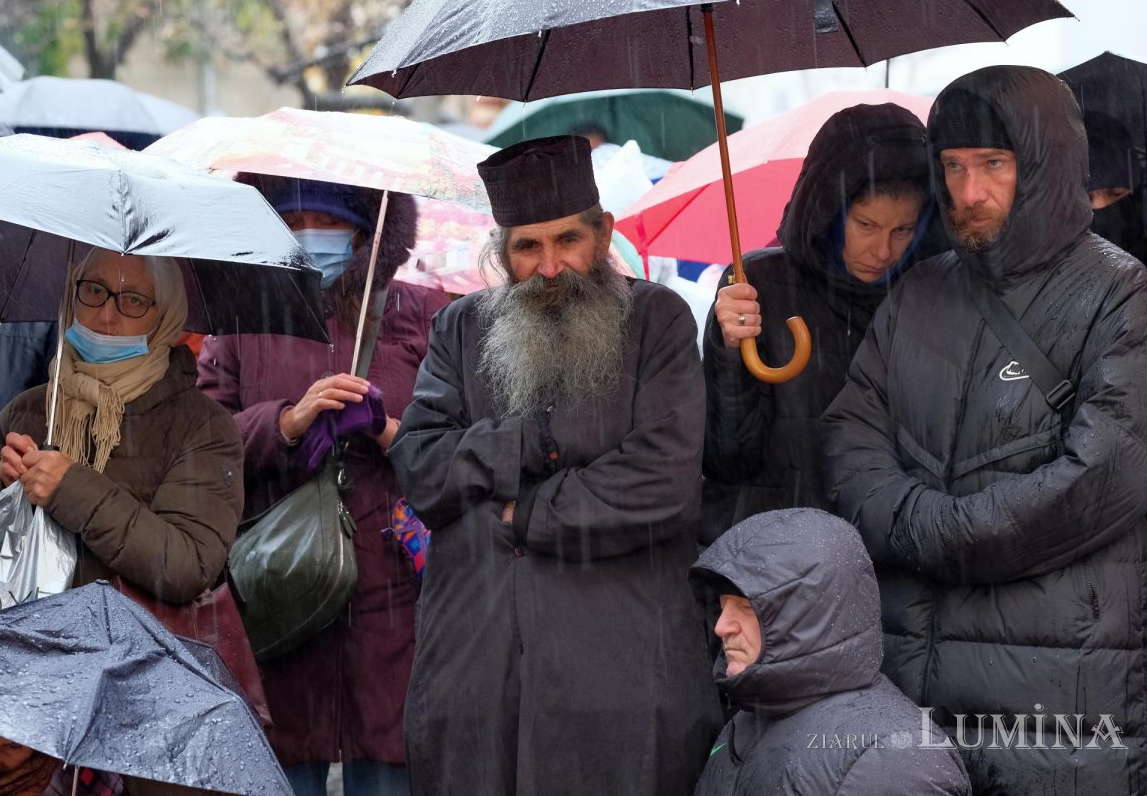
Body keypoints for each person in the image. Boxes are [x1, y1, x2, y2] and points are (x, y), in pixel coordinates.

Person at [821, 65, 1147, 795]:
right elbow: (850, 436)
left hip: (1061, 699)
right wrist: (917, 521)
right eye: (951, 167)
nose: (967, 192)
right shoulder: (919, 292)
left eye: (992, 165)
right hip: (912, 685)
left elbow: (1106, 475)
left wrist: (933, 533)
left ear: (1043, 166)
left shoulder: (1117, 293)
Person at [388, 136, 721, 796]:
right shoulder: (460, 328)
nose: (549, 267)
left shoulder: (656, 319)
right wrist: (515, 446)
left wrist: (530, 510)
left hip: (622, 670)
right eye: (527, 247)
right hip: (477, 670)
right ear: (503, 252)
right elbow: (421, 466)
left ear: (603, 235)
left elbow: (662, 482)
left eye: (566, 241)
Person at [197, 176, 448, 796]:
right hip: (280, 582)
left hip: (393, 588)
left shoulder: (423, 312)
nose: (311, 233)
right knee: (282, 767)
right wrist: (285, 422)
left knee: (389, 765)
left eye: (327, 219)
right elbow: (204, 442)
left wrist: (388, 430)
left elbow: (459, 438)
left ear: (365, 232)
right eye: (294, 218)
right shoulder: (242, 315)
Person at [0, 250, 244, 796]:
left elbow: (185, 564)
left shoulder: (203, 428)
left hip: (148, 713)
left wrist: (70, 487)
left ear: (164, 315)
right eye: (93, 290)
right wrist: (3, 490)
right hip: (29, 712)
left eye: (133, 300)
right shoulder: (26, 411)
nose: (107, 315)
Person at [703, 103, 939, 531]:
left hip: (892, 555)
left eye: (902, 230)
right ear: (830, 214)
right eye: (866, 225)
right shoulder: (757, 287)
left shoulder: (927, 295)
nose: (883, 251)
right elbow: (727, 459)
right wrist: (729, 355)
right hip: (779, 557)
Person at [689, 508, 971, 796]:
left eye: (747, 608)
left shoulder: (894, 759)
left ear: (808, 615)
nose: (722, 627)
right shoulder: (748, 720)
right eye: (722, 607)